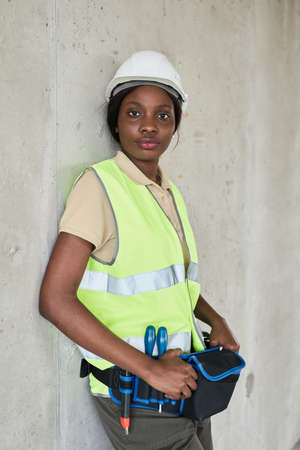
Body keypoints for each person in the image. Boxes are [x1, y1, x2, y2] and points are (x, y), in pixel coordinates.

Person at [39, 50, 239, 450]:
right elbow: (54, 300)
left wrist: (215, 319)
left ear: (176, 125)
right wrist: (150, 369)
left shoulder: (167, 192)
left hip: (183, 381)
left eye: (162, 115)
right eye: (134, 113)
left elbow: (173, 284)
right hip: (139, 391)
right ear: (115, 121)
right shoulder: (99, 187)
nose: (149, 126)